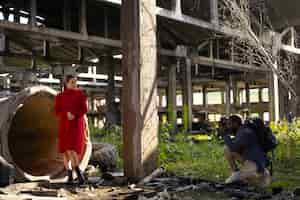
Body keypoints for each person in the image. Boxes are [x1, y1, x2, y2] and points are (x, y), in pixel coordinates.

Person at [220, 115, 271, 187]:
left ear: (235, 124)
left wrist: (225, 134)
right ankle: (237, 172)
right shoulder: (243, 131)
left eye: (229, 124)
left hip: (254, 164)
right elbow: (234, 146)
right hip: (252, 161)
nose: (228, 127)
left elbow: (233, 147)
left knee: (229, 182)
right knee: (227, 149)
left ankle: (259, 176)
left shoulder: (245, 133)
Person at [55, 75, 88, 185]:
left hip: (76, 125)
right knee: (65, 152)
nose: (75, 84)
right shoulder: (60, 96)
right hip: (64, 125)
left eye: (75, 82)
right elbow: (57, 111)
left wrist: (74, 114)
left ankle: (79, 175)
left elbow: (84, 109)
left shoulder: (80, 94)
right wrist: (66, 113)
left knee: (73, 150)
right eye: (72, 82)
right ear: (66, 83)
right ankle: (70, 176)